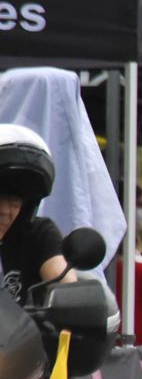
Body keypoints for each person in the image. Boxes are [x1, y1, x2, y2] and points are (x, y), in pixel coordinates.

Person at [0, 125, 71, 304]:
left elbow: (65, 287)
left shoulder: (38, 234)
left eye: (14, 201)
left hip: (23, 332)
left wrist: (69, 301)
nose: (4, 210)